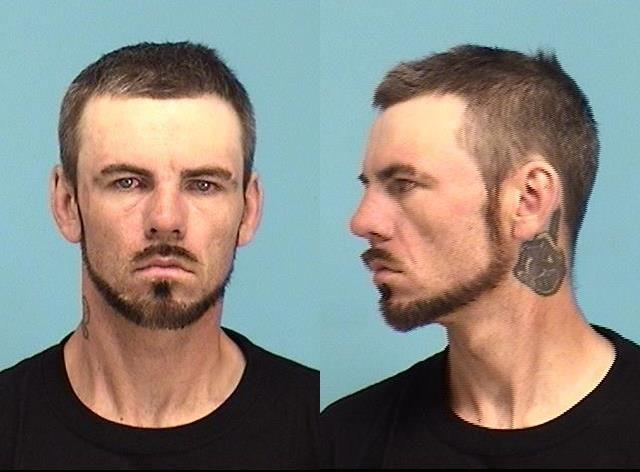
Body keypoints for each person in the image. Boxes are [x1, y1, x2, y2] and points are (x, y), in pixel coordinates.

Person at [0, 41, 318, 469]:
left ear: (249, 210)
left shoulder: (322, 431)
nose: (166, 219)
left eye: (203, 185)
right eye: (128, 182)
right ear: (67, 204)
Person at [321, 44, 640, 468]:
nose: (362, 222)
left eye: (403, 184)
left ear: (528, 200)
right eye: (369, 187)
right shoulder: (344, 441)